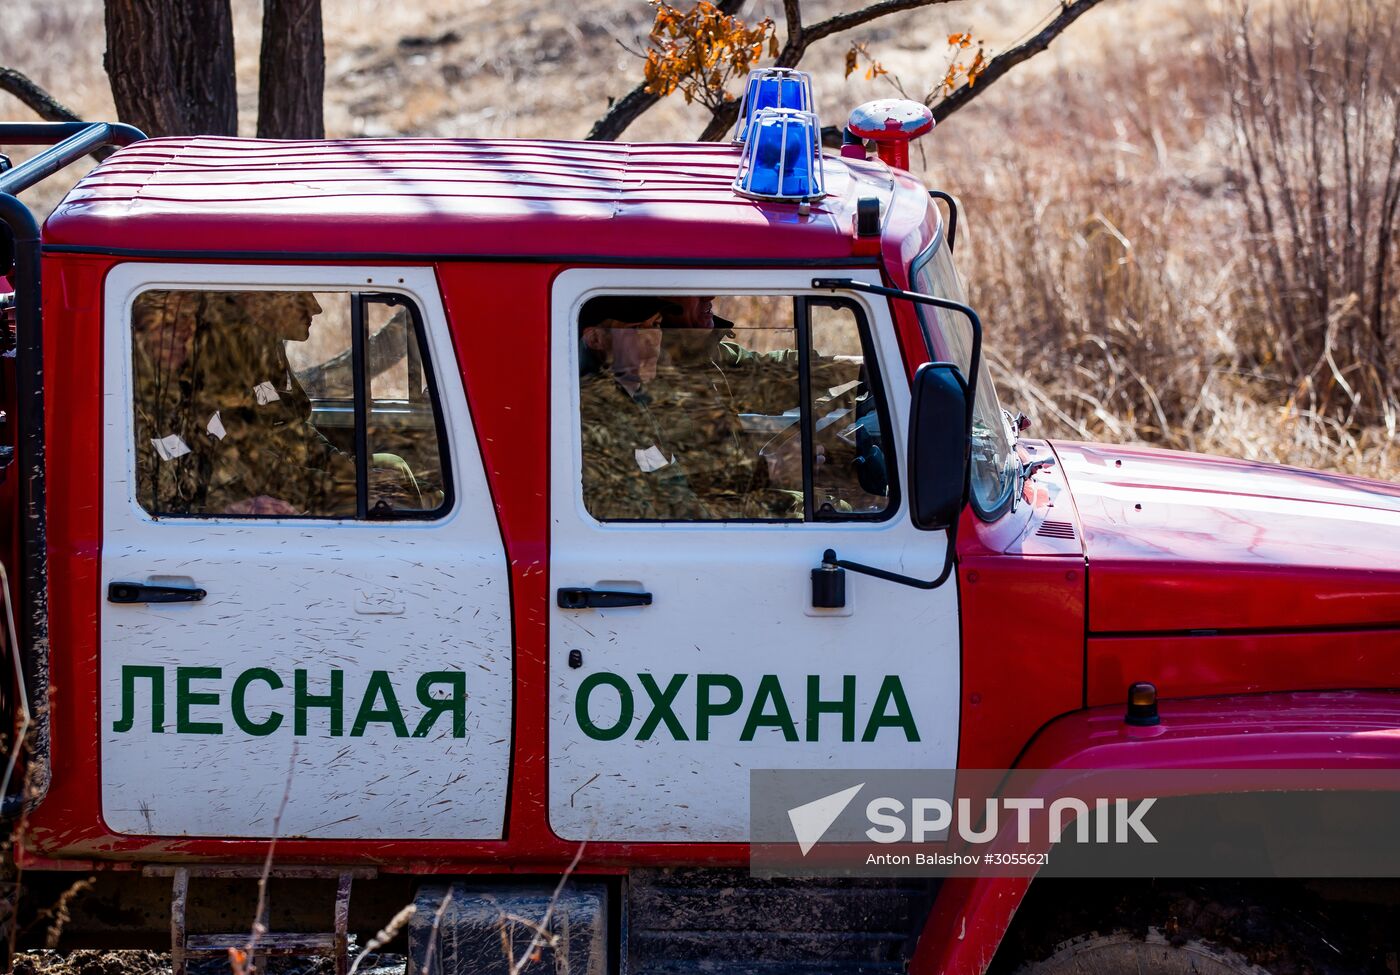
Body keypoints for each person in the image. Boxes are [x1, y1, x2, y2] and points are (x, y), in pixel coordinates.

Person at [578, 298, 709, 521]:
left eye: (656, 324)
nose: (652, 338)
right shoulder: (593, 414)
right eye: (636, 328)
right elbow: (620, 518)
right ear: (595, 339)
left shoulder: (636, 403)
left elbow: (672, 491)